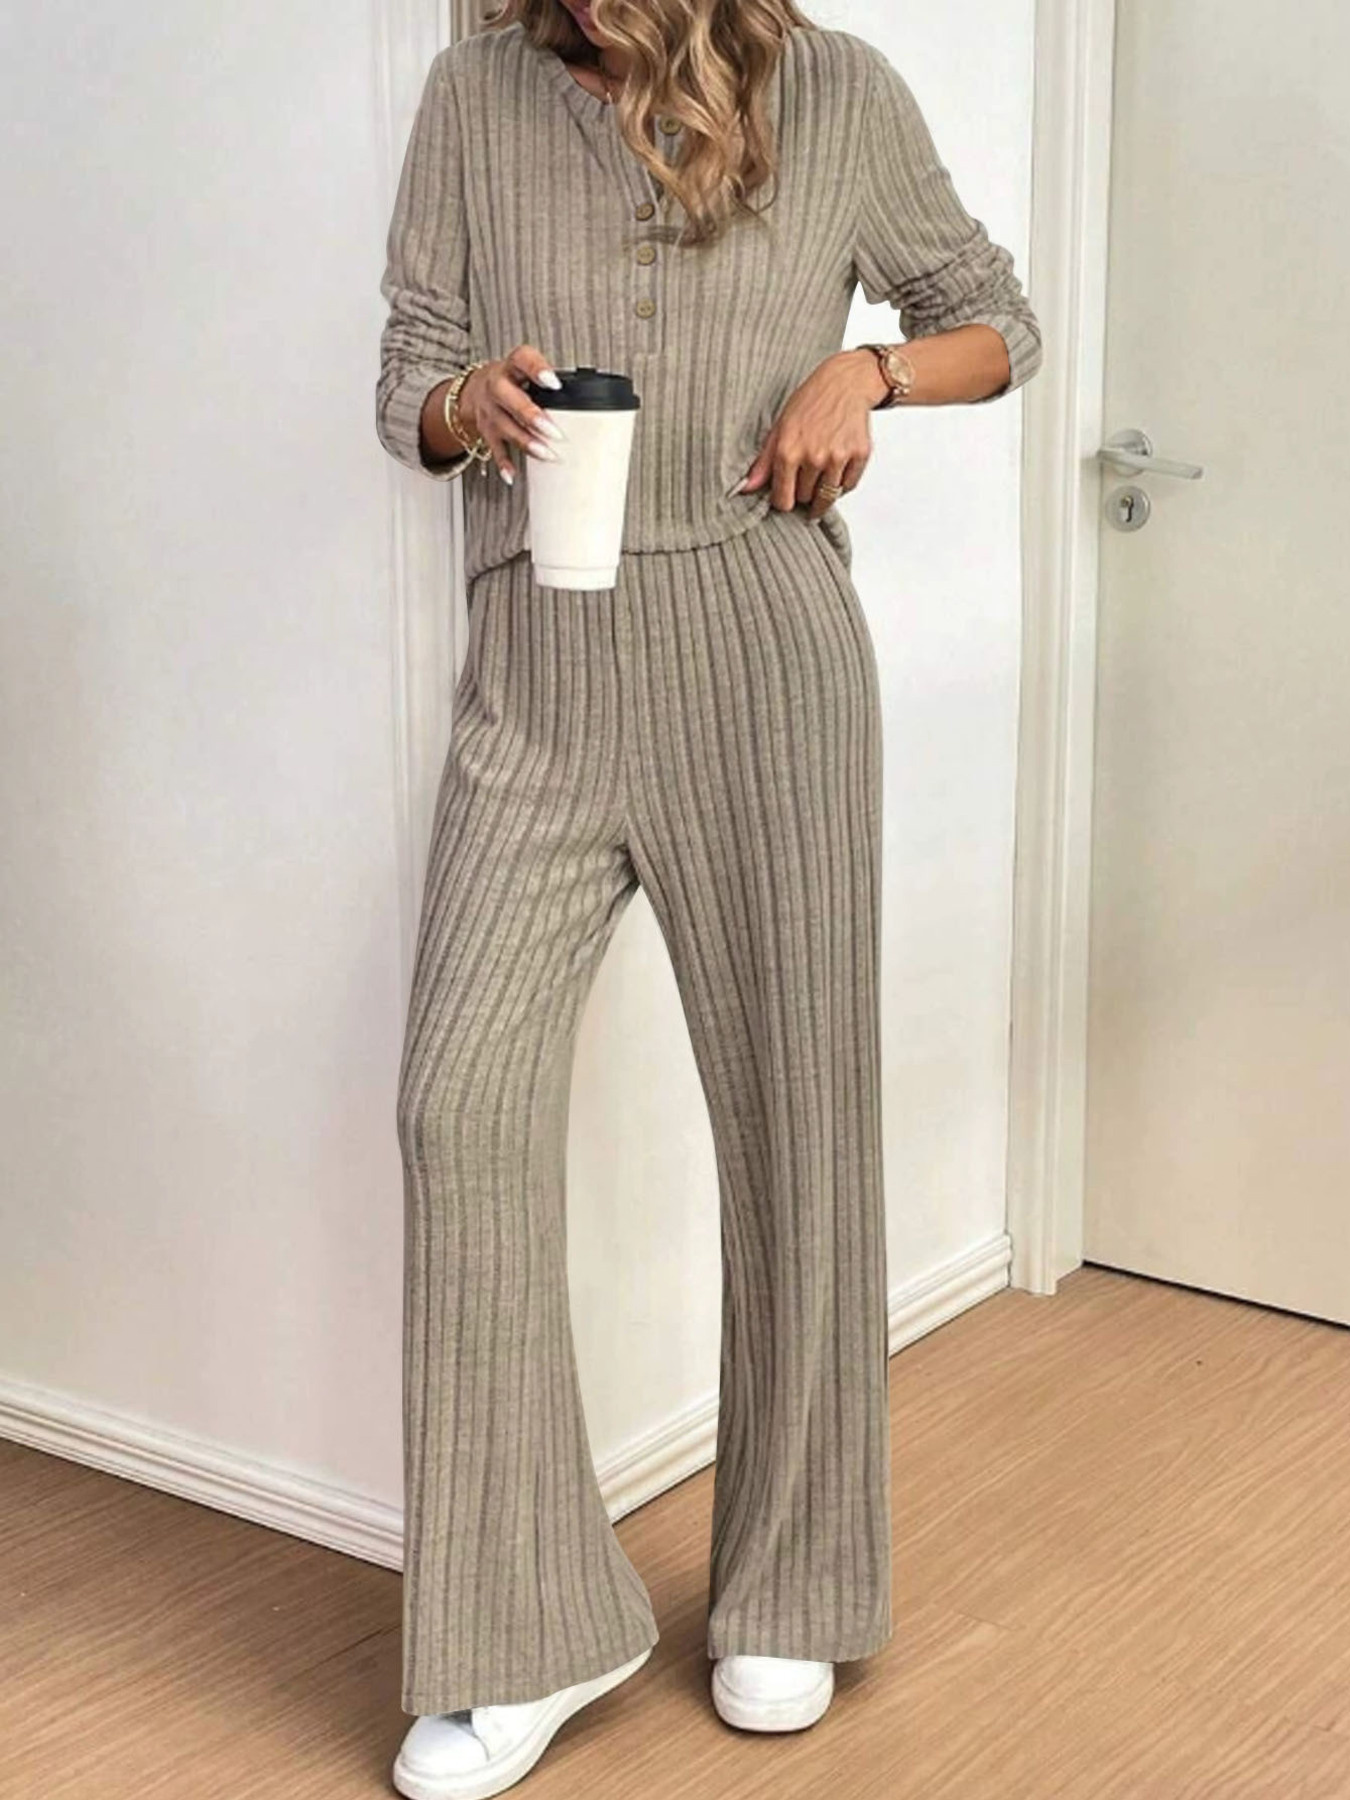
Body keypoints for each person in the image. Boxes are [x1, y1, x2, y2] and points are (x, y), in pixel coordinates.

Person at [376, 2, 1042, 1794]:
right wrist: (463, 404)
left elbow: (999, 321)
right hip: (538, 674)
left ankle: (792, 1586)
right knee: (455, 1108)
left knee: (795, 1120)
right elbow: (406, 377)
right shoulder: (472, 92)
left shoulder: (836, 90)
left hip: (764, 657)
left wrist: (869, 376)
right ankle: (524, 1627)